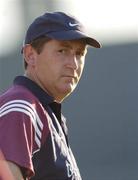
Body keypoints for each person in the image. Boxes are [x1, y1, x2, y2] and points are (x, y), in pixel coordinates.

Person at [0, 11, 101, 180]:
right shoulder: (21, 106)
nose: (73, 64)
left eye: (79, 54)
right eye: (62, 51)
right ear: (30, 55)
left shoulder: (44, 112)